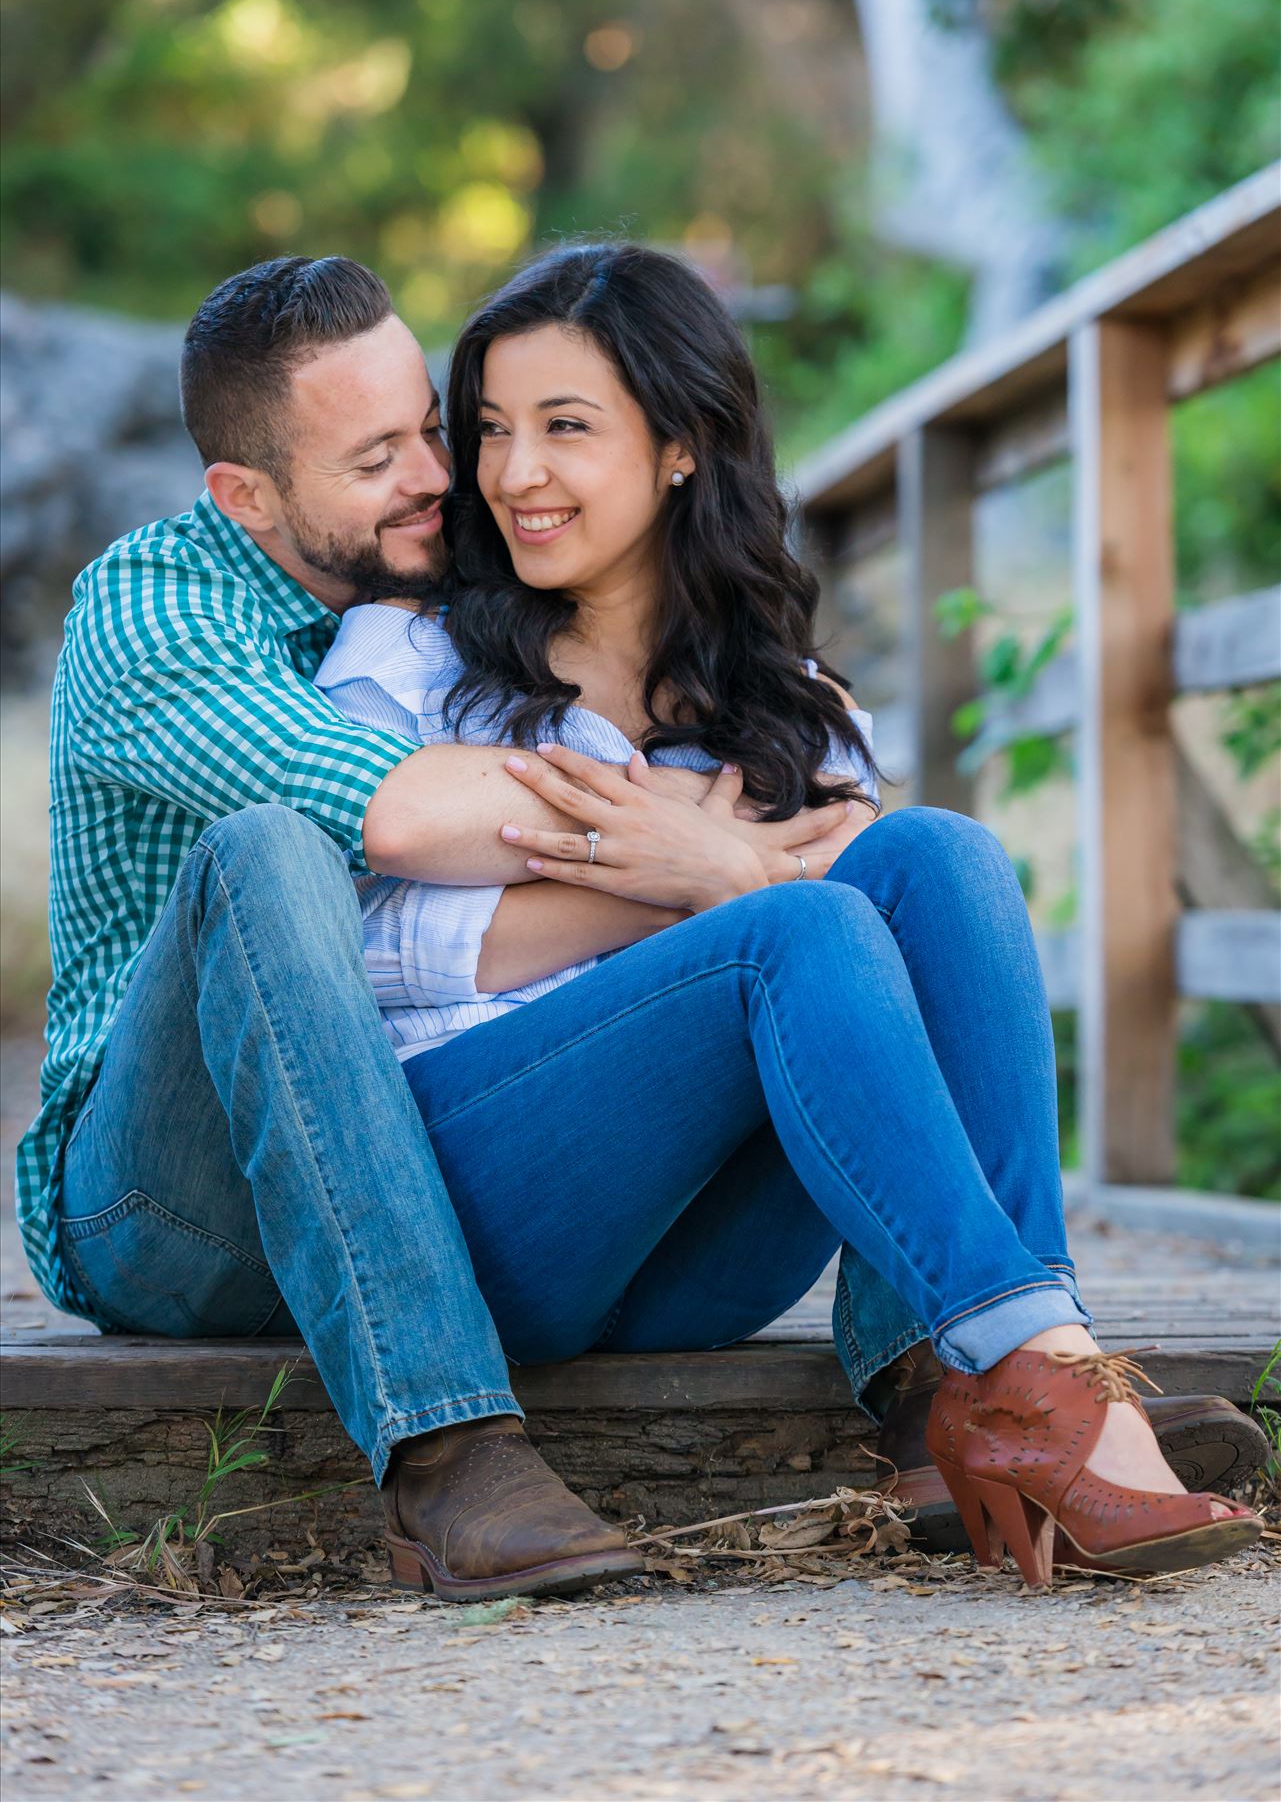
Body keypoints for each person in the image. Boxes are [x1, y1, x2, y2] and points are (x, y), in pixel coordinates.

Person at [18, 253, 1258, 1606]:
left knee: (933, 860)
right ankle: (446, 1446)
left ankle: (982, 1376)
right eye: (445, 439)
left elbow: (865, 923)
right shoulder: (293, 634)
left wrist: (730, 860)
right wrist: (692, 863)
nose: (468, 477)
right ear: (247, 496)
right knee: (771, 925)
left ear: (678, 449)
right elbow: (362, 888)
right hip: (182, 1191)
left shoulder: (764, 686)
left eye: (453, 427)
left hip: (626, 1227)